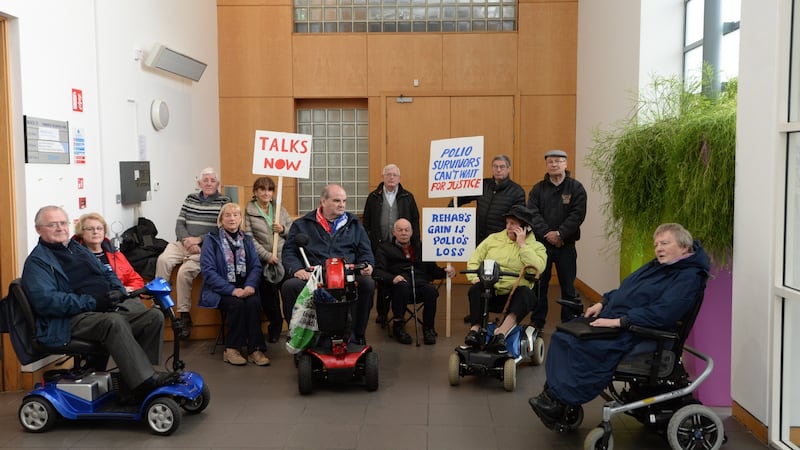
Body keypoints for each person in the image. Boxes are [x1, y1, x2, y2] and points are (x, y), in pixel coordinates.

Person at [528, 223, 710, 427]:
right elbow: (627, 291)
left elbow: (664, 313)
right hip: (624, 322)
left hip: (645, 332)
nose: (658, 248)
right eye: (656, 243)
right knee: (564, 335)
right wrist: (603, 302)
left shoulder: (688, 277)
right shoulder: (659, 266)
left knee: (581, 344)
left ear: (684, 247)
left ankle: (561, 399)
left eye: (665, 243)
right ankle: (555, 397)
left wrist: (620, 321)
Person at [21, 205, 170, 402]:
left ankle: (135, 380)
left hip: (100, 309)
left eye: (63, 223)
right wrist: (93, 301)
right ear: (39, 229)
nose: (59, 228)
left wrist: (117, 290)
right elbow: (47, 302)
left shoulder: (76, 248)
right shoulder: (37, 262)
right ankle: (145, 381)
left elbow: (107, 272)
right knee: (113, 322)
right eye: (52, 224)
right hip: (67, 320)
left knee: (152, 316)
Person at [281, 184, 375, 345]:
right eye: (337, 200)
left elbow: (366, 251)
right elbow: (289, 251)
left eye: (344, 201)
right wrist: (296, 270)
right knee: (289, 286)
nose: (342, 205)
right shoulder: (302, 224)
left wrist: (368, 265)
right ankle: (299, 339)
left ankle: (357, 336)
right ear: (323, 201)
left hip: (346, 275)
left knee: (367, 284)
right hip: (314, 276)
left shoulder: (354, 225)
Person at [155, 167, 231, 339]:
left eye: (212, 180)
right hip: (184, 243)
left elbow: (221, 228)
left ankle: (184, 315)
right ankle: (161, 304)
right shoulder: (190, 198)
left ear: (218, 184)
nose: (209, 183)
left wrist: (200, 240)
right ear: (199, 183)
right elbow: (179, 224)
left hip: (207, 246)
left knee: (184, 272)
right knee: (163, 260)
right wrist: (186, 241)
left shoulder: (224, 201)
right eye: (206, 180)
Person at [463, 205, 547, 353]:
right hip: (492, 289)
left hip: (515, 295)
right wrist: (475, 277)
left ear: (525, 227)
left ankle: (501, 332)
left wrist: (522, 245)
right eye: (507, 223)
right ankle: (475, 331)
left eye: (513, 224)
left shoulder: (536, 246)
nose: (508, 227)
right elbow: (475, 259)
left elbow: (538, 268)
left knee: (526, 293)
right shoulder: (493, 239)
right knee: (476, 289)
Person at [199, 203, 270, 366]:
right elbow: (208, 272)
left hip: (245, 287)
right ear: (221, 219)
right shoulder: (212, 239)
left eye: (236, 215)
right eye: (228, 215)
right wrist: (232, 290)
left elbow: (256, 266)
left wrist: (250, 285)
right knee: (236, 304)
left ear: (240, 218)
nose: (232, 218)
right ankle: (231, 349)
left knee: (253, 302)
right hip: (221, 289)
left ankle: (255, 350)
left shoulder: (248, 239)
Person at [527, 149, 587, 329]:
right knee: (539, 286)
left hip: (566, 245)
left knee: (568, 286)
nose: (554, 164)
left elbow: (578, 215)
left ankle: (568, 322)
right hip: (541, 246)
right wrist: (548, 234)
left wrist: (560, 234)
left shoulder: (576, 188)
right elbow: (533, 214)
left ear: (565, 164)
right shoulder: (538, 189)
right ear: (546, 165)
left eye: (558, 161)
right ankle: (537, 322)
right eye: (550, 161)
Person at [374, 218, 455, 345]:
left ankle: (428, 328)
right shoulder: (384, 248)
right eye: (400, 230)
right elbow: (378, 271)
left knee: (431, 290)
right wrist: (392, 278)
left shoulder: (421, 247)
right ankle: (398, 326)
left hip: (419, 283)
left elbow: (432, 269)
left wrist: (446, 272)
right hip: (397, 286)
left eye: (407, 230)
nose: (404, 233)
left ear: (412, 232)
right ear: (394, 232)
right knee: (402, 286)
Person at [362, 164, 421, 325]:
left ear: (399, 178)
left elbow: (415, 220)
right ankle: (382, 313)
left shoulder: (407, 197)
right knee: (382, 278)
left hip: (400, 245)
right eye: (388, 175)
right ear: (382, 177)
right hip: (379, 245)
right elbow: (366, 222)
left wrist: (415, 242)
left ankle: (398, 313)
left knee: (397, 276)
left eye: (395, 175)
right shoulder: (373, 197)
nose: (391, 177)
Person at [244, 176, 293, 343]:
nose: (266, 193)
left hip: (283, 259)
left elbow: (292, 232)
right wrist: (266, 256)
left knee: (288, 293)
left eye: (269, 190)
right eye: (262, 189)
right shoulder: (249, 211)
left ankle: (293, 327)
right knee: (269, 299)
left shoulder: (280, 209)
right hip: (263, 261)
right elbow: (249, 239)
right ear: (255, 191)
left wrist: (283, 229)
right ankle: (275, 326)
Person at [452, 155, 526, 244]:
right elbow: (462, 197)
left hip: (501, 241)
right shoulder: (482, 185)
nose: (498, 170)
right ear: (492, 168)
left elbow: (519, 219)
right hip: (479, 239)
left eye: (502, 167)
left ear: (508, 169)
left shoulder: (517, 191)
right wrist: (450, 210)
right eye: (495, 166)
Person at [73, 212, 145, 293]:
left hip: (122, 299)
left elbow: (136, 280)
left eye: (99, 228)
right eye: (90, 229)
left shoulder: (116, 255)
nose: (95, 232)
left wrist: (127, 290)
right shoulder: (74, 256)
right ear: (81, 233)